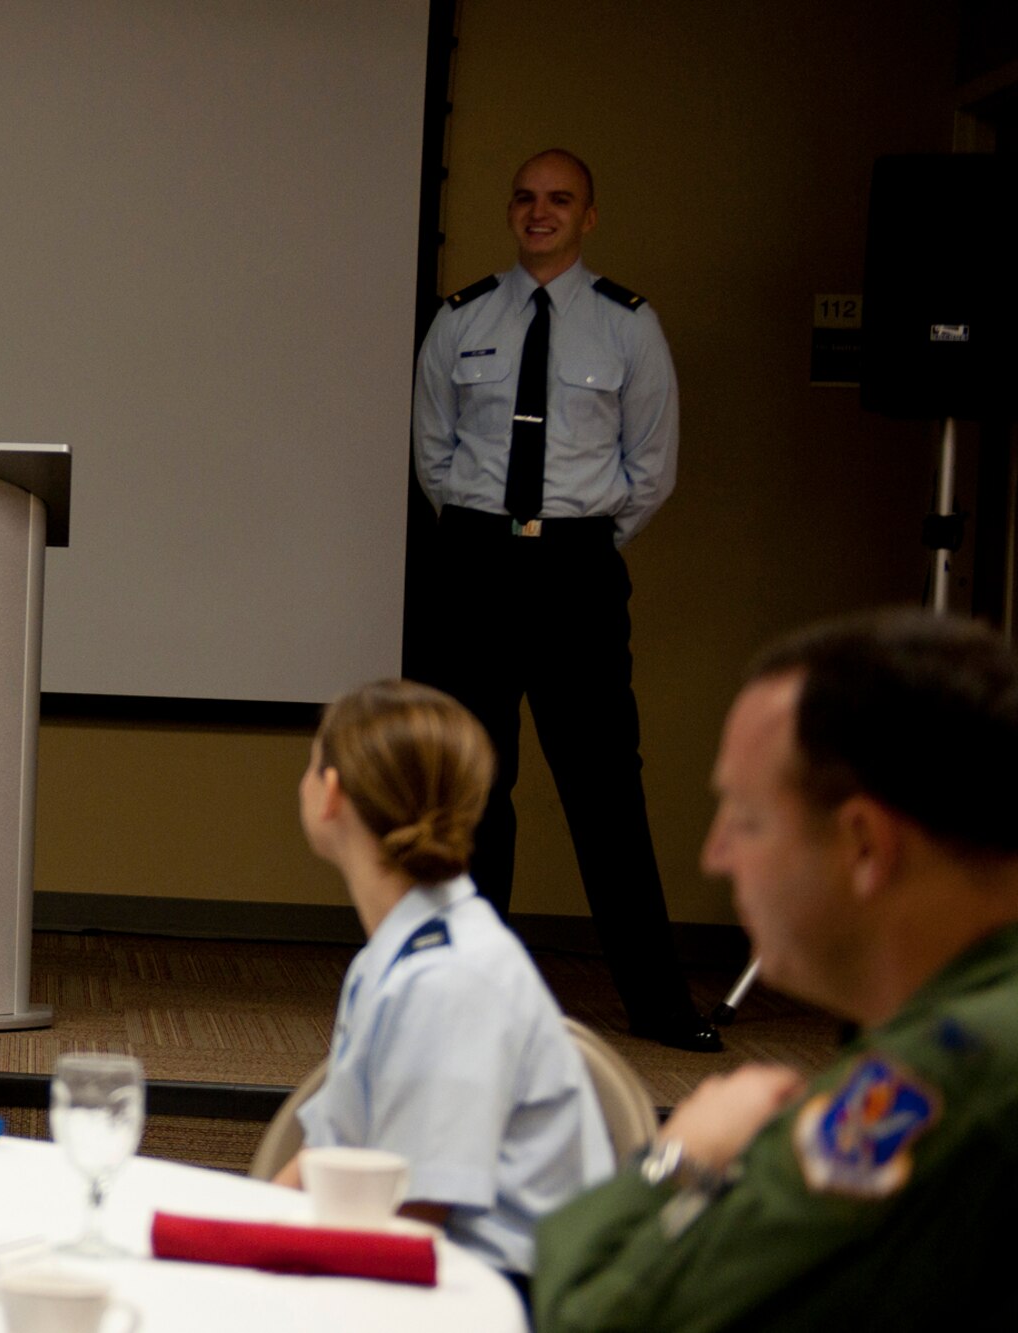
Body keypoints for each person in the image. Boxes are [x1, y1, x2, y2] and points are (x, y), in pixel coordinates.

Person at [532, 609, 1018, 1331]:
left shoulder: (941, 1075)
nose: (714, 855)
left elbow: (589, 1316)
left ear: (862, 844)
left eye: (747, 818)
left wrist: (679, 1157)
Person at [411, 148, 715, 1052]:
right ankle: (466, 1003)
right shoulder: (461, 317)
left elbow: (650, 469)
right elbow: (434, 454)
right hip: (473, 567)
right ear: (511, 212)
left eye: (560, 200)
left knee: (605, 790)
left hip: (577, 573)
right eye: (526, 199)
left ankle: (658, 1003)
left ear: (589, 217)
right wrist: (487, 538)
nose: (539, 213)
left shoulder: (629, 326)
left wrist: (575, 543)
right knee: (473, 787)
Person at [277, 679, 614, 1289]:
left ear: (330, 794)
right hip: (430, 1263)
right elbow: (333, 1154)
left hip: (497, 1293)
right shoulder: (407, 948)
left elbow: (414, 1212)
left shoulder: (450, 980)